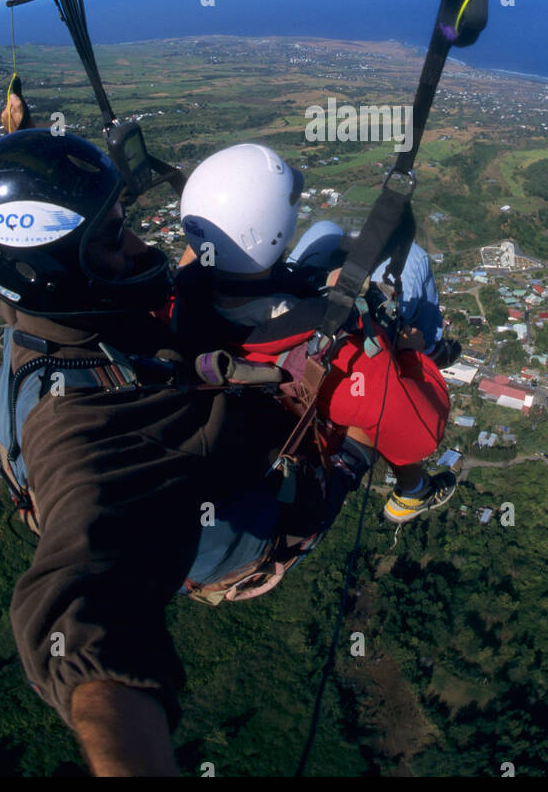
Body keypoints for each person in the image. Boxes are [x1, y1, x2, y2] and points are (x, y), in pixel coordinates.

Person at [0, 129, 285, 775]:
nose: (139, 247)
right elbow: (83, 607)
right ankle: (398, 479)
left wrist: (13, 142)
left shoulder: (43, 318)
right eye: (111, 239)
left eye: (122, 224)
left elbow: (17, 236)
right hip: (259, 522)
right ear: (53, 271)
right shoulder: (74, 430)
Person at [174, 142, 457, 523]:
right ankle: (413, 491)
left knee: (325, 232)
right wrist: (411, 355)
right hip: (306, 370)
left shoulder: (179, 295)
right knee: (416, 260)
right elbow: (420, 432)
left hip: (251, 318)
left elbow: (211, 257)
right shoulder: (345, 361)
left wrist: (320, 282)